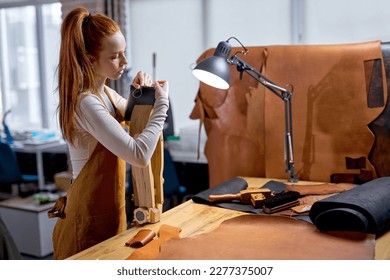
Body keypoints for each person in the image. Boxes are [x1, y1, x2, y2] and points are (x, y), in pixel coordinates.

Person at [50, 7, 169, 260]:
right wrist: (162, 105)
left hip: (110, 213)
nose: (125, 62)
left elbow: (135, 121)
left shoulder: (106, 94)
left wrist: (142, 94)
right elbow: (138, 153)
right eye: (115, 56)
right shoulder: (86, 103)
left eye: (124, 53)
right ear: (90, 59)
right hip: (85, 220)